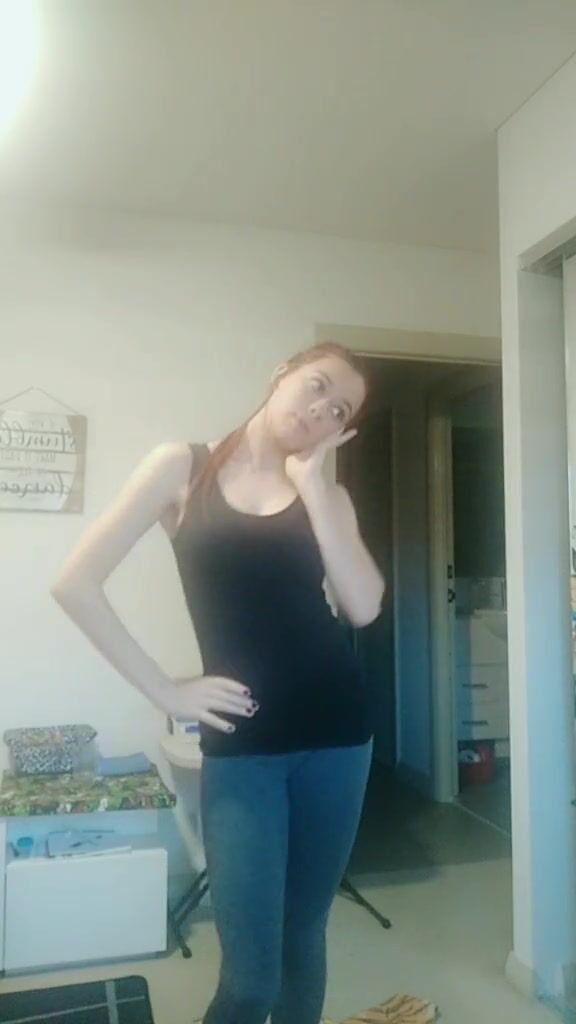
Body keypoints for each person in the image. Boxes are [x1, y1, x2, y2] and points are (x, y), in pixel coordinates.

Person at [51, 341, 385, 1024]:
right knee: (249, 982)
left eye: (340, 410)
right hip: (244, 748)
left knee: (303, 938)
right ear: (282, 373)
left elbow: (363, 605)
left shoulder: (328, 496)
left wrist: (314, 488)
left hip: (339, 735)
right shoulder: (182, 466)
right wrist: (166, 691)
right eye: (317, 386)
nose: (322, 409)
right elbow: (75, 583)